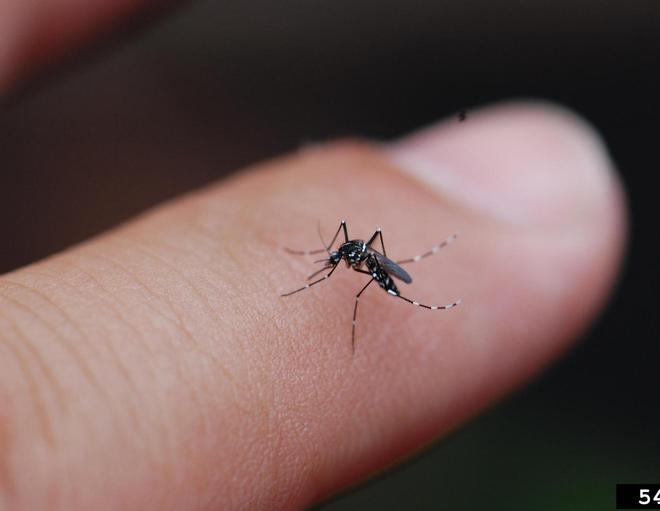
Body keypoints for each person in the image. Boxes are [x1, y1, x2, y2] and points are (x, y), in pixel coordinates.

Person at [0, 3, 626, 509]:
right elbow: (345, 250)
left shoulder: (362, 265)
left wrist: (359, 281)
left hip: (386, 268)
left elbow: (358, 263)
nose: (343, 261)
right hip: (371, 254)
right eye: (340, 258)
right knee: (357, 253)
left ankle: (411, 290)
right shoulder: (347, 248)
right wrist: (323, 259)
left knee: (371, 276)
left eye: (341, 258)